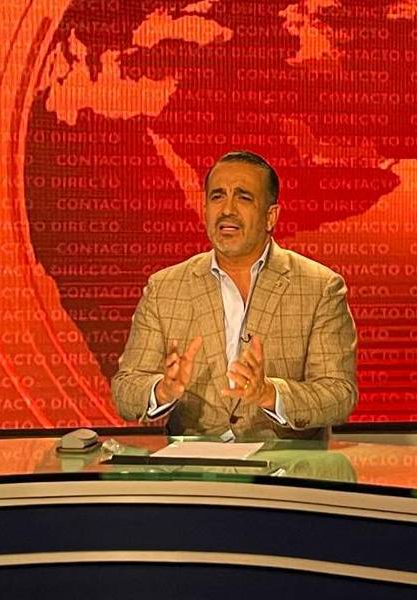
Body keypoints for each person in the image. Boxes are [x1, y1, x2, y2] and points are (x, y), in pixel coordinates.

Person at [112, 151, 357, 439]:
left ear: (270, 216)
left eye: (243, 197)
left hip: (285, 463)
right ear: (205, 210)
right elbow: (125, 390)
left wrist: (271, 394)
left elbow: (340, 395)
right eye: (217, 196)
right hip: (195, 460)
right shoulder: (164, 287)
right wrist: (161, 391)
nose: (227, 209)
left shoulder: (320, 287)